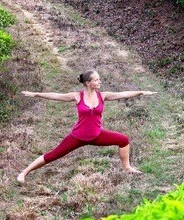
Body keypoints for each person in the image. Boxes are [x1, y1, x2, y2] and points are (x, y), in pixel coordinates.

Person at [17, 70, 156, 183]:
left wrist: (141, 92)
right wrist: (36, 94)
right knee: (53, 155)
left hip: (97, 135)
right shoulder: (77, 96)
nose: (99, 81)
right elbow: (56, 96)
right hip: (77, 137)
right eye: (96, 80)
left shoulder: (103, 96)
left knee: (123, 140)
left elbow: (123, 95)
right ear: (88, 83)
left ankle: (127, 167)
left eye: (99, 79)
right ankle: (24, 172)